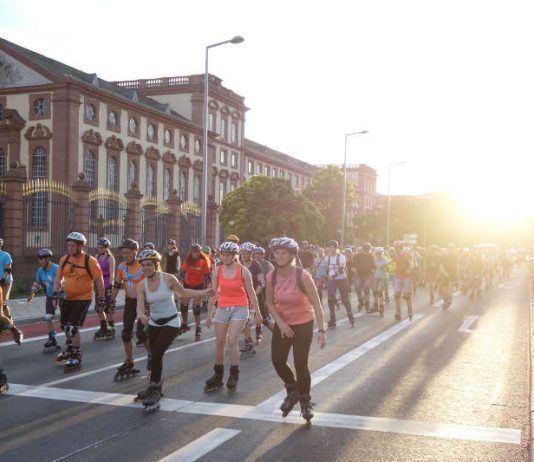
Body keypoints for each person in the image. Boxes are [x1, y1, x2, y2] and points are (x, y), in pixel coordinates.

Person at [136, 249, 212, 412]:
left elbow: (183, 293)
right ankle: (154, 385)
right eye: (143, 266)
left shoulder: (168, 279)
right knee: (154, 355)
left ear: (156, 265)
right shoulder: (141, 285)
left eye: (149, 264)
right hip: (155, 323)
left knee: (156, 354)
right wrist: (141, 315)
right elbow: (140, 307)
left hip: (171, 322)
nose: (146, 268)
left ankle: (155, 388)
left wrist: (204, 292)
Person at [266, 237, 326, 423]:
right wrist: (281, 323)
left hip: (303, 323)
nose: (279, 256)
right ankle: (293, 390)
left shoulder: (302, 276)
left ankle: (305, 402)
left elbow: (316, 303)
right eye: (277, 253)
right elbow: (269, 302)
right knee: (277, 360)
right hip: (283, 323)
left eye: (283, 253)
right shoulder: (272, 276)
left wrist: (321, 331)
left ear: (292, 255)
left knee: (301, 363)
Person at [204, 241, 261, 394]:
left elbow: (252, 293)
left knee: (232, 340)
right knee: (220, 342)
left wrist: (257, 313)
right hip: (223, 307)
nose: (225, 257)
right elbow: (214, 293)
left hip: (240, 307)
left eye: (228, 254)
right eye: (223, 254)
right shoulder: (217, 270)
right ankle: (218, 374)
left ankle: (234, 374)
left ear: (235, 256)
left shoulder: (243, 271)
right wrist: (209, 314)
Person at [53, 232, 105, 372]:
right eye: (68, 245)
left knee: (72, 327)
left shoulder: (89, 261)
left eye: (73, 245)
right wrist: (55, 294)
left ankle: (76, 354)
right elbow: (58, 278)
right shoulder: (64, 259)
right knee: (64, 326)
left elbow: (99, 281)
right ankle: (70, 348)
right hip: (67, 298)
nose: (69, 248)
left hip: (83, 298)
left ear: (81, 246)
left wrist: (100, 300)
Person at [110, 239, 150, 380]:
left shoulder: (143, 265)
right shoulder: (121, 266)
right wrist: (111, 301)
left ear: (135, 252)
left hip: (144, 302)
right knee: (126, 333)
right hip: (130, 301)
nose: (124, 255)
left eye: (127, 253)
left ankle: (151, 355)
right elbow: (116, 285)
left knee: (141, 333)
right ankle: (129, 361)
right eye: (123, 253)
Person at [27, 248, 63, 352]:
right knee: (48, 318)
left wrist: (56, 297)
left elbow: (62, 284)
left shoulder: (56, 269)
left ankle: (71, 340)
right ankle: (52, 339)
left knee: (65, 322)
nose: (40, 261)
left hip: (61, 296)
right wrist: (31, 295)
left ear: (48, 259)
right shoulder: (40, 270)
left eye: (41, 259)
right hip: (50, 296)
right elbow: (37, 283)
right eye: (39, 259)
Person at [178, 244, 211, 340]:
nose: (195, 254)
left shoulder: (204, 261)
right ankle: (184, 324)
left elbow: (206, 276)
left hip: (198, 286)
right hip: (187, 285)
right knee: (183, 305)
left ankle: (198, 327)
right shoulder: (188, 260)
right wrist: (179, 284)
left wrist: (206, 290)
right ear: (191, 252)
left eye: (197, 252)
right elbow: (182, 273)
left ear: (200, 252)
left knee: (196, 308)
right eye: (193, 252)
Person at [239, 242, 264, 351]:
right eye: (242, 252)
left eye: (246, 253)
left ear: (251, 254)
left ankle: (258, 330)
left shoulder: (256, 265)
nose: (244, 255)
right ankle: (248, 341)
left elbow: (262, 283)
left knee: (259, 317)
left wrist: (254, 294)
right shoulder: (238, 264)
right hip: (241, 295)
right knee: (244, 318)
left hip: (255, 293)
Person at [324, 240, 354, 328]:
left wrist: (333, 275)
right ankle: (332, 318)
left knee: (345, 299)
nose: (330, 249)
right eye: (329, 247)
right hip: (332, 280)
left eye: (332, 247)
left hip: (342, 279)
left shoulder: (341, 257)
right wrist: (326, 277)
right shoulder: (327, 258)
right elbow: (326, 269)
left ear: (336, 248)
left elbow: (341, 269)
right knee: (330, 298)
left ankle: (350, 315)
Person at [93, 237, 116, 340]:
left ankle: (110, 328)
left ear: (106, 248)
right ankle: (103, 327)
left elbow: (112, 273)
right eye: (98, 247)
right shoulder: (96, 257)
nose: (99, 249)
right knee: (99, 308)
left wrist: (111, 286)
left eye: (101, 247)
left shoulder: (110, 258)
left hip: (107, 284)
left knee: (108, 308)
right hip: (99, 285)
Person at [0, 238, 21, 345]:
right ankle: (8, 322)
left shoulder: (5, 255)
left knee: (3, 304)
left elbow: (8, 270)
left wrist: (2, 280)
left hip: (6, 282)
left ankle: (9, 324)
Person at [392, 244, 414, 320]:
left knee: (407, 296)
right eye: (397, 249)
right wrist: (392, 271)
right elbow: (392, 264)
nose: (399, 251)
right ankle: (398, 313)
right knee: (396, 295)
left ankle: (410, 312)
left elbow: (411, 264)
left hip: (406, 277)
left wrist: (409, 269)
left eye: (400, 249)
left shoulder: (408, 256)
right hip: (398, 277)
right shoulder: (396, 256)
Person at [353, 243, 375, 312]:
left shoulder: (371, 257)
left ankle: (367, 303)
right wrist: (354, 270)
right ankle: (361, 301)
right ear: (363, 249)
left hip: (368, 275)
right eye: (365, 249)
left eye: (367, 250)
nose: (366, 251)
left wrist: (372, 274)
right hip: (359, 274)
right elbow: (354, 264)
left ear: (369, 250)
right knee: (357, 289)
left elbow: (373, 266)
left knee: (366, 290)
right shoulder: (358, 256)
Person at [371, 247, 389, 317]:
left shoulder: (385, 259)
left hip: (383, 278)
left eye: (379, 254)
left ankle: (381, 307)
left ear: (382, 253)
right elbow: (373, 267)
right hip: (376, 277)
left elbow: (388, 268)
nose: (378, 255)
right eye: (377, 254)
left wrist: (385, 268)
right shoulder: (374, 259)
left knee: (380, 291)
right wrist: (373, 270)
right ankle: (376, 305)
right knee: (375, 291)